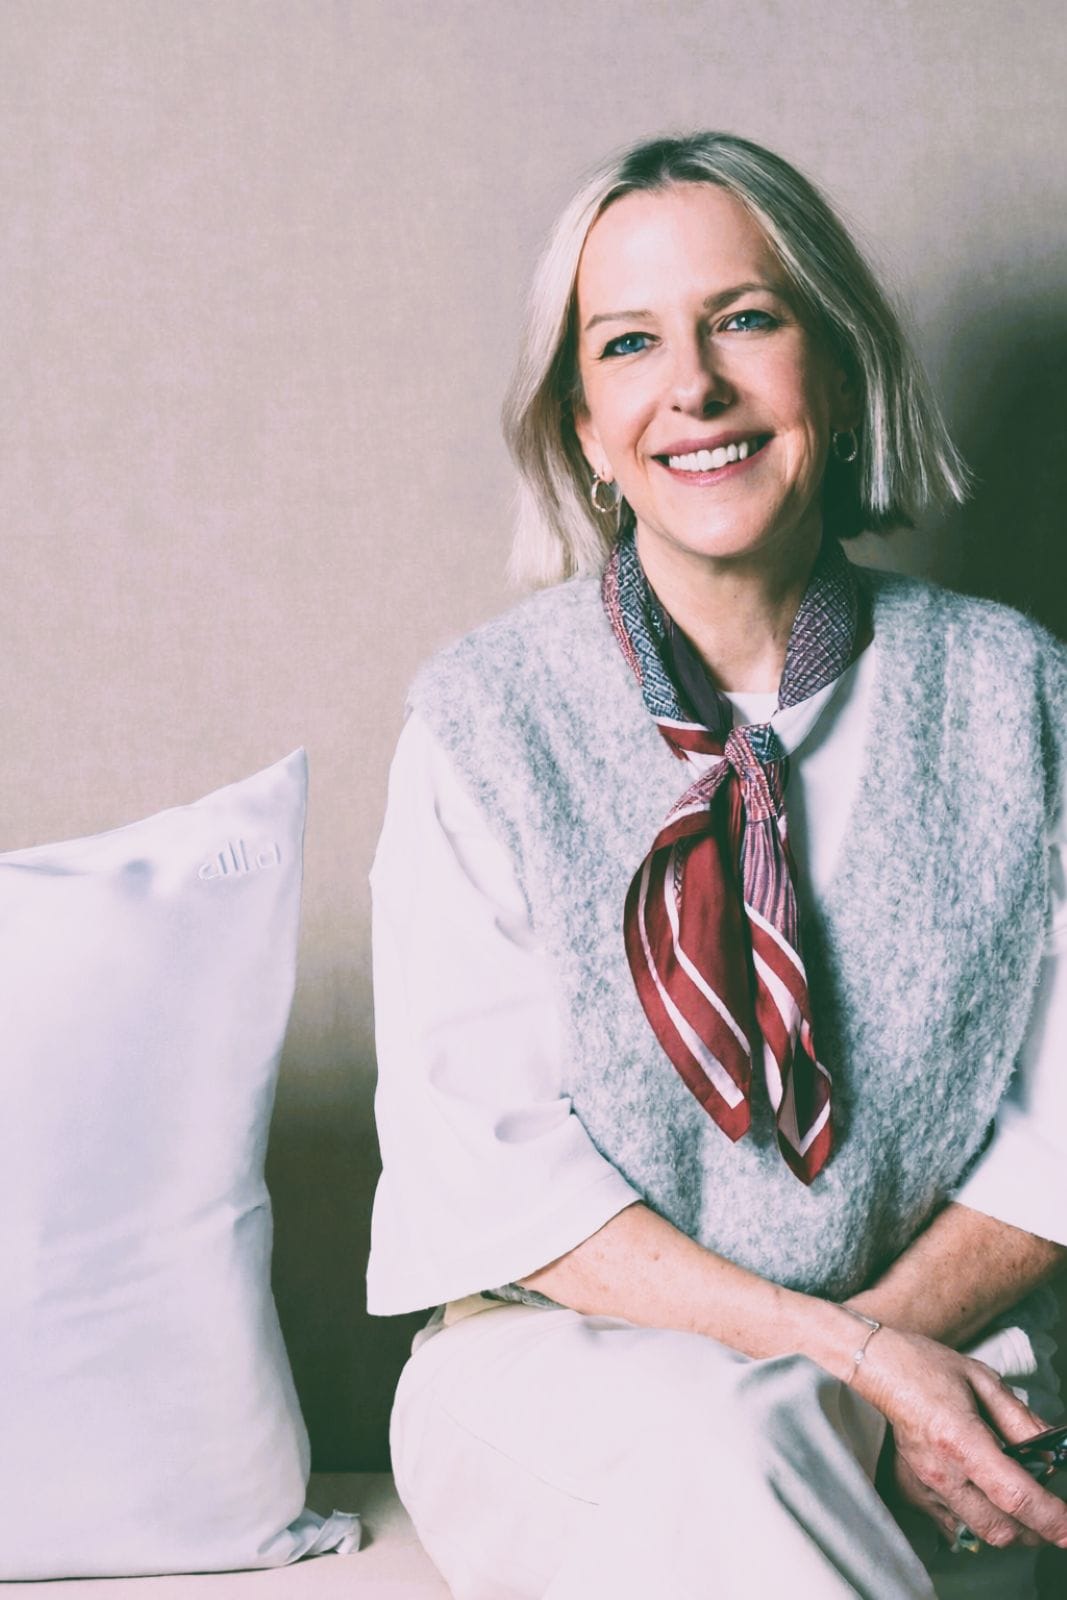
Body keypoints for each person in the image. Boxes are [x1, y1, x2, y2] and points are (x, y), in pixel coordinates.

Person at [366, 132, 1067, 1599]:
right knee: (738, 1448)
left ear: (840, 369)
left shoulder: (1020, 696)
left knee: (785, 1441)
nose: (692, 387)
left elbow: (1057, 1134)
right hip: (564, 1370)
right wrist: (841, 1359)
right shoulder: (481, 723)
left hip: (941, 1347)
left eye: (745, 319)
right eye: (629, 344)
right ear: (584, 426)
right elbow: (494, 1177)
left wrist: (878, 1360)